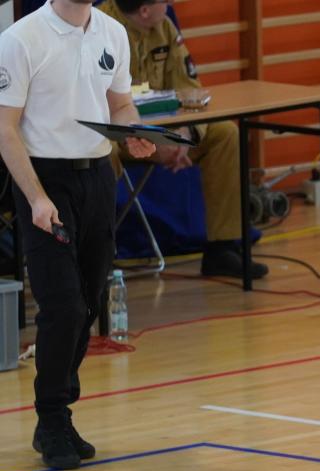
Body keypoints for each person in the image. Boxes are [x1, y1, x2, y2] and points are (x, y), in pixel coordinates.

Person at [0, 0, 155, 469]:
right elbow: (5, 128)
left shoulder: (111, 32)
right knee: (62, 305)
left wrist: (133, 131)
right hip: (45, 179)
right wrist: (36, 198)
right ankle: (50, 418)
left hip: (97, 177)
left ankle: (61, 412)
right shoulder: (21, 39)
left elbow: (120, 103)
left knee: (88, 303)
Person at [98, 0, 268, 279]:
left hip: (164, 132)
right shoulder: (98, 28)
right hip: (116, 133)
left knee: (225, 134)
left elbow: (190, 90)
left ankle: (222, 248)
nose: (170, 4)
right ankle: (96, 255)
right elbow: (93, 105)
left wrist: (184, 135)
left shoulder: (164, 27)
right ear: (144, 10)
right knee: (100, 154)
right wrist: (150, 141)